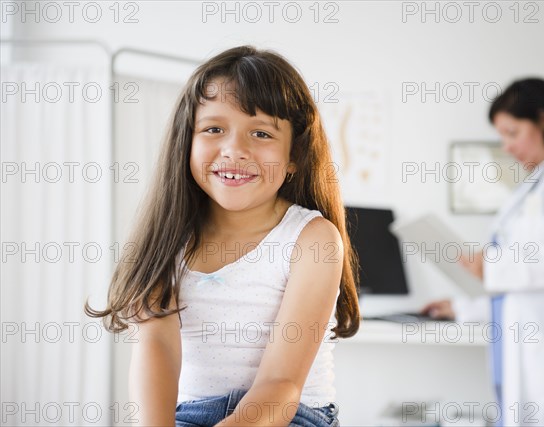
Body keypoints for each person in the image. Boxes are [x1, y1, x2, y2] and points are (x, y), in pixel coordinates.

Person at [86, 45, 360, 427]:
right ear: (188, 140)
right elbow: (157, 347)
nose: (235, 149)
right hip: (190, 415)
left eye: (261, 133)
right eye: (214, 129)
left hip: (290, 414)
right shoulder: (168, 237)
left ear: (295, 154)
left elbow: (282, 385)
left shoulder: (312, 239)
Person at [422, 78, 544, 426]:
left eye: (513, 132)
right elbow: (523, 285)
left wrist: (492, 265)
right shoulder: (540, 182)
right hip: (533, 347)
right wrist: (462, 306)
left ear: (543, 121)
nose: (507, 146)